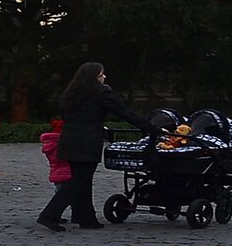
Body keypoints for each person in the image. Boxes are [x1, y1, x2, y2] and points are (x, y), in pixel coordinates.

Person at [37, 62, 158, 232]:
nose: (104, 77)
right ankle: (50, 214)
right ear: (94, 77)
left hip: (69, 139)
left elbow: (65, 115)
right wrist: (148, 126)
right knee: (79, 181)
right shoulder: (101, 92)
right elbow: (123, 111)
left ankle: (86, 217)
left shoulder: (72, 92)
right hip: (87, 141)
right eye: (102, 74)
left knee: (82, 180)